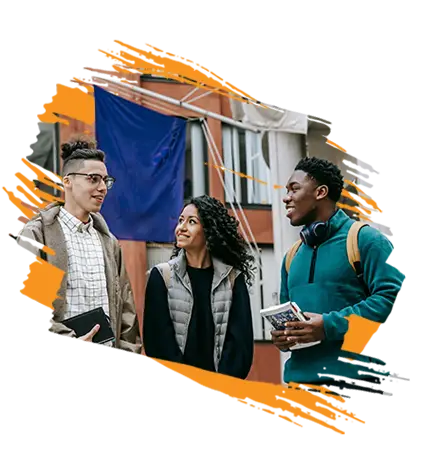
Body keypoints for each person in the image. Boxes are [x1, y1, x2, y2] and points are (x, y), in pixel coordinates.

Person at [271, 157, 406, 399]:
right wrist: (284, 336)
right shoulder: (291, 257)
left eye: (294, 188)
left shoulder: (366, 240)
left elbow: (393, 301)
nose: (286, 197)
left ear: (321, 192)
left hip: (358, 388)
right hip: (299, 390)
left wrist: (328, 326)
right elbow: (288, 314)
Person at [16, 138, 141, 355]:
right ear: (67, 182)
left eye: (105, 180)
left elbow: (126, 313)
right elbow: (30, 309)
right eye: (93, 179)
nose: (102, 188)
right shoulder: (42, 237)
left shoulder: (108, 243)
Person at [143, 195, 255, 379]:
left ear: (209, 230)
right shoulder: (162, 276)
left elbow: (240, 346)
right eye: (180, 221)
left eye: (191, 222)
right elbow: (157, 343)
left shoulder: (234, 279)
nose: (181, 228)